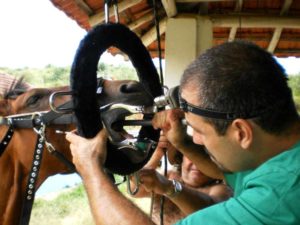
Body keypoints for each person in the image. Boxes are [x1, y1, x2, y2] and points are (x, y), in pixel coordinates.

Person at [66, 41, 300, 225]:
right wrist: (184, 142)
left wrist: (91, 169)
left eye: (198, 131)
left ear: (241, 132)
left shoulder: (279, 198)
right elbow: (226, 169)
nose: (196, 139)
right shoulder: (276, 156)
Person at [129, 134, 232, 225]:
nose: (196, 165)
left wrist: (169, 187)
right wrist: (158, 152)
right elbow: (135, 190)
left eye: (205, 159)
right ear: (181, 157)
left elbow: (211, 214)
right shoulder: (167, 176)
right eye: (191, 157)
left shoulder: (221, 189)